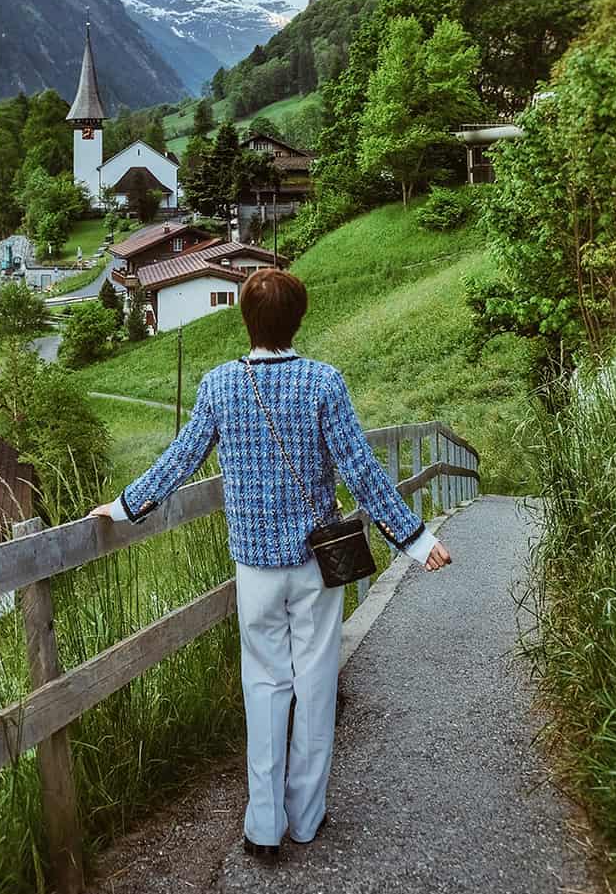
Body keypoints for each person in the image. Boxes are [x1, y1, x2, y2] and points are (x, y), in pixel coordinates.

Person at [89, 266, 451, 858]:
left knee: (263, 687)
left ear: (246, 320)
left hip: (254, 566)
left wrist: (127, 506)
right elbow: (361, 471)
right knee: (315, 686)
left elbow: (180, 460)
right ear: (298, 318)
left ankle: (264, 825)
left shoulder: (219, 385)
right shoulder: (323, 383)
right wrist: (413, 539)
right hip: (315, 564)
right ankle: (307, 818)